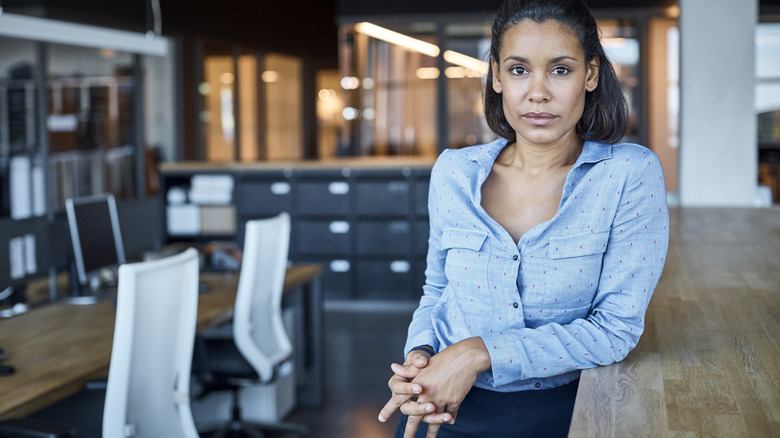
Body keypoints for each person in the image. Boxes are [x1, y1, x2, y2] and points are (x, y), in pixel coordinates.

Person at [377, 0, 670, 437]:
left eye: (560, 70)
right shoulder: (454, 173)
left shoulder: (628, 174)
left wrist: (478, 353)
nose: (538, 93)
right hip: (443, 404)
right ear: (496, 75)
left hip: (567, 411)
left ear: (590, 74)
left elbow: (614, 330)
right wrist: (420, 355)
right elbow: (438, 289)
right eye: (518, 70)